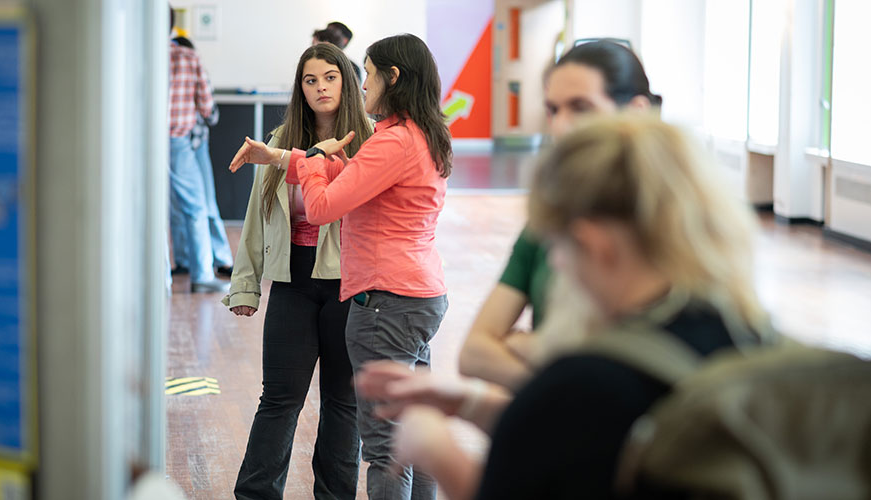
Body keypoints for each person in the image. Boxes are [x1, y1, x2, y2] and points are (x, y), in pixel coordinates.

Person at [356, 114, 773, 499]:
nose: (555, 262)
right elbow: (593, 440)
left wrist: (436, 449)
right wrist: (468, 402)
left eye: (558, 244)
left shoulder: (593, 375)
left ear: (597, 244)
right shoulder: (747, 336)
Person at [230, 33, 452, 500]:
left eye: (358, 73)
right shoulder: (412, 135)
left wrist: (309, 164)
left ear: (390, 78)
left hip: (375, 293)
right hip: (380, 288)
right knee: (397, 422)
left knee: (374, 429)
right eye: (311, 79)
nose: (352, 82)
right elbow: (341, 179)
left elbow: (327, 203)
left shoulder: (387, 141)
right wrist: (287, 156)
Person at [458, 39, 661, 391]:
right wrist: (558, 385)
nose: (561, 127)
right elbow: (473, 353)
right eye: (554, 110)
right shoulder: (546, 225)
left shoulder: (674, 227)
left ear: (636, 110)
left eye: (581, 107)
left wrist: (536, 350)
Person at [223, 43, 373, 500]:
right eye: (311, 80)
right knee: (279, 398)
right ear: (300, 88)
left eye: (330, 77)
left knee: (342, 404)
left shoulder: (369, 139)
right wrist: (245, 285)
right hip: (293, 279)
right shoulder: (276, 139)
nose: (321, 87)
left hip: (351, 283)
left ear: (346, 81)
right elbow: (257, 215)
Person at [168, 7, 228, 293]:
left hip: (140, 144)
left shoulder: (130, 52)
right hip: (179, 141)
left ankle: (163, 279)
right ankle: (203, 274)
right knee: (196, 206)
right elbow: (207, 106)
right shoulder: (186, 57)